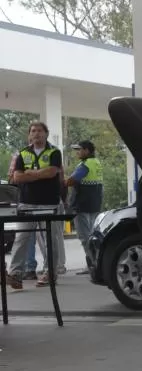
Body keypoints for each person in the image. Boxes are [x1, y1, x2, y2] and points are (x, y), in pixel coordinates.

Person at [8, 121, 66, 289]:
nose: (36, 134)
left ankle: (50, 273)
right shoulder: (23, 153)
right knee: (21, 239)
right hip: (26, 203)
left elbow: (52, 172)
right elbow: (17, 177)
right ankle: (15, 275)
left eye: (40, 131)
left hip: (50, 203)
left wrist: (30, 173)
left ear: (46, 134)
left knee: (51, 240)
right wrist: (40, 174)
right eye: (33, 131)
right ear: (29, 135)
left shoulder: (54, 152)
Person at [63, 140, 103, 270]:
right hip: (94, 204)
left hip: (82, 205)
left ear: (87, 150)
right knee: (93, 235)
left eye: (79, 150)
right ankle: (98, 263)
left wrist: (62, 181)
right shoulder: (96, 163)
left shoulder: (85, 165)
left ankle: (93, 264)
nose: (77, 153)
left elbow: (70, 182)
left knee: (85, 237)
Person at [7, 153, 38, 279]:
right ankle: (21, 270)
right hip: (22, 203)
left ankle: (29, 268)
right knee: (25, 237)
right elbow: (13, 180)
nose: (11, 170)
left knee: (28, 237)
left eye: (13, 167)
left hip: (31, 203)